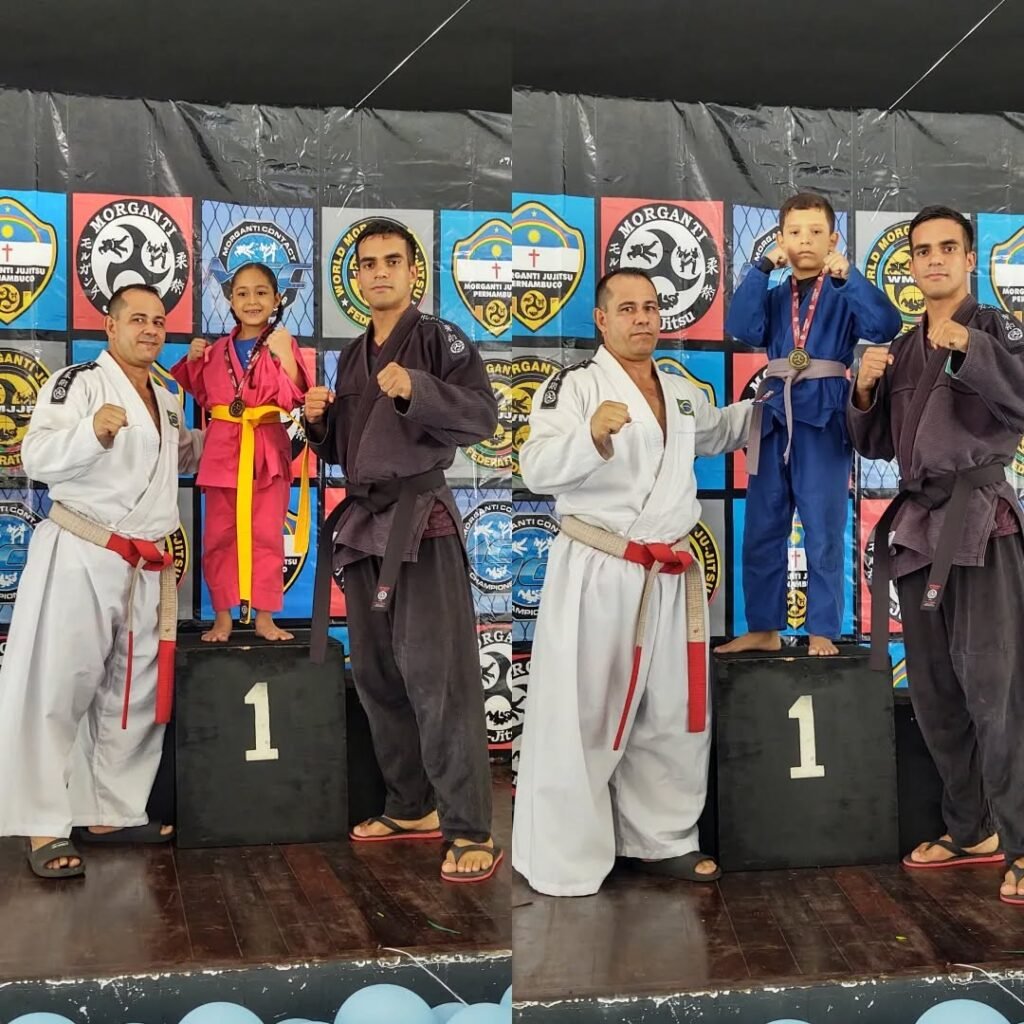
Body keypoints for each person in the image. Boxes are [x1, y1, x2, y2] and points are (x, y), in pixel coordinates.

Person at [512, 268, 752, 897]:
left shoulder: (678, 391)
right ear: (601, 319)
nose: (642, 318)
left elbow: (721, 431)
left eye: (650, 307)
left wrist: (784, 394)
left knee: (669, 710)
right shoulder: (575, 386)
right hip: (600, 567)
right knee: (583, 713)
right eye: (627, 308)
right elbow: (535, 467)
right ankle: (565, 856)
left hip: (666, 573)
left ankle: (662, 840)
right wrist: (591, 436)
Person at [304, 219, 501, 883]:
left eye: (392, 260)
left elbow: (482, 416)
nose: (380, 271)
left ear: (415, 272)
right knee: (378, 674)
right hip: (365, 525)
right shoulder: (351, 355)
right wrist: (319, 425)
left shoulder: (440, 340)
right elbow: (350, 450)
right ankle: (412, 807)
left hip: (422, 525)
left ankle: (469, 826)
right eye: (368, 263)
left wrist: (419, 390)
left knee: (438, 679)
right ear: (356, 277)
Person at [848, 204, 1024, 906]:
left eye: (948, 247)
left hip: (981, 525)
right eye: (922, 250)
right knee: (935, 689)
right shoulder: (902, 346)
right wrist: (864, 391)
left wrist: (972, 350)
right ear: (912, 264)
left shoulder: (997, 329)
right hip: (920, 529)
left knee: (996, 689)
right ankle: (971, 829)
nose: (935, 260)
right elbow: (876, 442)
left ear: (970, 258)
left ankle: (1022, 839)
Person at [0, 284, 203, 878]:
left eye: (158, 321)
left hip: (144, 564)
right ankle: (42, 821)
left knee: (130, 693)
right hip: (83, 550)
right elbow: (36, 456)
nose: (150, 329)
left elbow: (179, 456)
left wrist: (254, 435)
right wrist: (92, 433)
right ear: (109, 327)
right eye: (137, 319)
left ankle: (110, 811)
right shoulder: (79, 384)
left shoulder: (167, 396)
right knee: (57, 685)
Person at [718, 193, 902, 657]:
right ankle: (764, 627)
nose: (805, 240)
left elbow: (884, 326)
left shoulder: (842, 292)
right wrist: (761, 268)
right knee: (762, 527)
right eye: (795, 232)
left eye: (816, 232)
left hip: (823, 417)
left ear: (833, 239)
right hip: (774, 416)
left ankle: (823, 628)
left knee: (823, 528)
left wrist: (850, 277)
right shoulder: (773, 294)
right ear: (781, 238)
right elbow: (742, 327)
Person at [172, 262, 310, 643]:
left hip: (265, 448)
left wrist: (286, 359)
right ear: (230, 301)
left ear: (277, 299)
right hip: (222, 451)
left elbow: (296, 396)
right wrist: (195, 358)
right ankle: (223, 616)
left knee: (267, 533)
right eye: (243, 293)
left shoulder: (281, 343)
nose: (252, 301)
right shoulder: (217, 350)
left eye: (261, 292)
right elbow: (201, 393)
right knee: (219, 535)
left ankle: (265, 616)